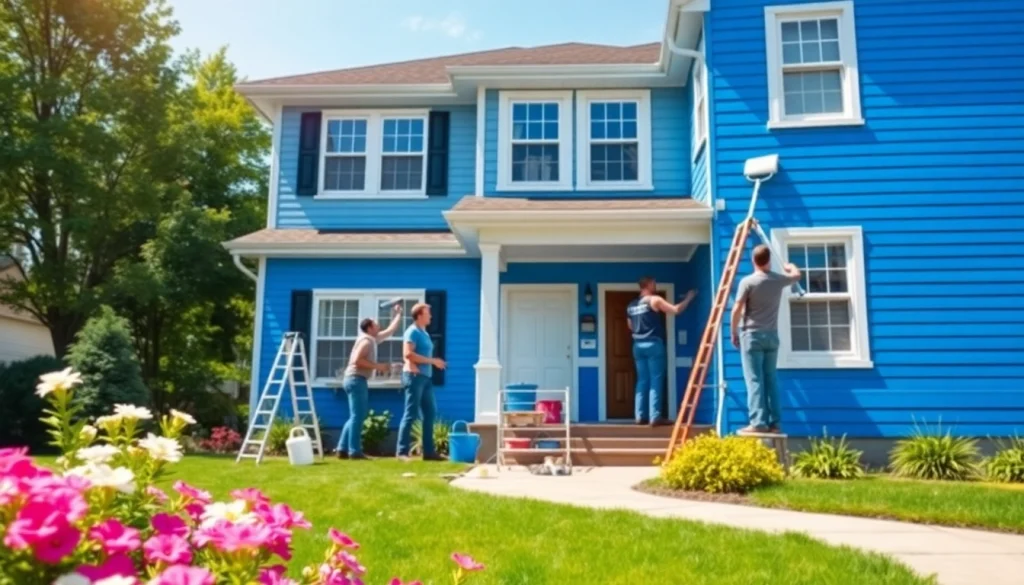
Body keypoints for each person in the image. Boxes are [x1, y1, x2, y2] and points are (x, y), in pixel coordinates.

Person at [730, 244, 802, 435]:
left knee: (754, 380)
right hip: (771, 336)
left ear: (753, 260)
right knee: (770, 379)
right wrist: (791, 266)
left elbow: (737, 308)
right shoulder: (778, 280)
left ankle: (758, 422)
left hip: (752, 336)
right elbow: (797, 275)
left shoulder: (748, 282)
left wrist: (733, 331)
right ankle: (775, 423)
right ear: (769, 260)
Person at [336, 303, 404, 460]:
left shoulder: (372, 339)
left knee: (355, 416)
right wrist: (379, 366)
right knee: (358, 416)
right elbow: (356, 360)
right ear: (369, 327)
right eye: (375, 323)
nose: (378, 324)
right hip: (355, 379)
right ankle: (354, 451)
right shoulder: (366, 341)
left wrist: (398, 314)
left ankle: (342, 449)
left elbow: (390, 331)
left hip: (355, 380)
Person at [627, 277, 697, 427]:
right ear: (648, 285)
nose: (655, 285)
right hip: (653, 343)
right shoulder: (654, 300)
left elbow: (630, 326)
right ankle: (655, 416)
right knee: (656, 379)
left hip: (637, 345)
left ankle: (639, 416)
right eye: (653, 283)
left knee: (642, 380)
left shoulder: (631, 306)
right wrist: (689, 298)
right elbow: (676, 310)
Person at [396, 302, 447, 461]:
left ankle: (429, 452)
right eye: (428, 313)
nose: (431, 316)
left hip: (425, 378)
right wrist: (433, 361)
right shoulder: (412, 332)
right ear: (419, 315)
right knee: (410, 414)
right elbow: (408, 354)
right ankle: (402, 452)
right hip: (414, 376)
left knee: (430, 413)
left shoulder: (424, 333)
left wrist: (432, 363)